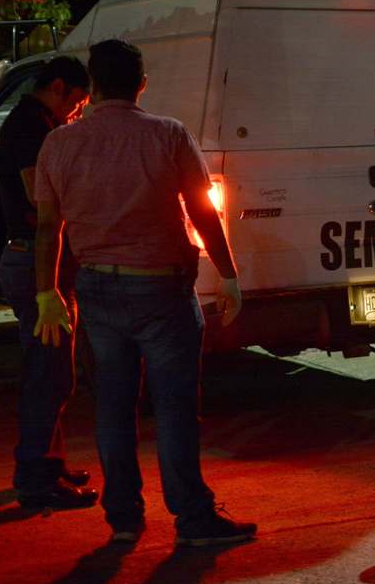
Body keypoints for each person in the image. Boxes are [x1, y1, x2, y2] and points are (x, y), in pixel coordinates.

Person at [33, 39, 255, 547]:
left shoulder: (59, 144)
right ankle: (192, 517)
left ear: (90, 86)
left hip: (97, 288)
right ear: (141, 83)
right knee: (175, 407)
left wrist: (47, 292)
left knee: (112, 405)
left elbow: (49, 228)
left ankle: (124, 517)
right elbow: (202, 211)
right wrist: (229, 274)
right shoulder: (168, 135)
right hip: (162, 289)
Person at [0, 56, 96, 509]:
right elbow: (44, 205)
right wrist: (47, 285)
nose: (75, 112)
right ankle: (36, 479)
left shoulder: (28, 122)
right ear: (58, 87)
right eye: (75, 102)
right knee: (48, 376)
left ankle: (48, 465)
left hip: (31, 260)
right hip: (36, 264)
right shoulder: (31, 128)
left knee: (51, 373)